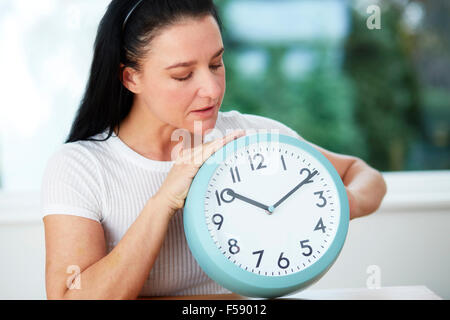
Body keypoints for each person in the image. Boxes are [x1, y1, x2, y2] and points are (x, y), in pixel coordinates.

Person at [41, 0, 387, 300]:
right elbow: (71, 296)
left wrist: (343, 203)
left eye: (216, 64)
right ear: (131, 78)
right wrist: (163, 201)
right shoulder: (80, 167)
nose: (210, 89)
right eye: (182, 75)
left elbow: (362, 173)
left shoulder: (251, 137)